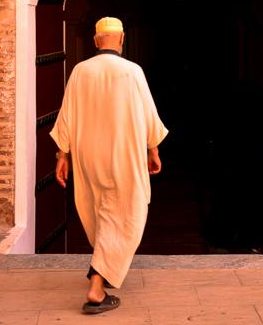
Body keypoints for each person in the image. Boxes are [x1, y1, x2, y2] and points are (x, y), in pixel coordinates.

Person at [49, 16, 169, 314]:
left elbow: (67, 116)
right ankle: (97, 285)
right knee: (126, 212)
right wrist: (152, 150)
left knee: (102, 212)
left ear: (94, 40)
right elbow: (148, 116)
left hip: (88, 157)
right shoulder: (132, 72)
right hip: (124, 156)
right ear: (123, 39)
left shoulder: (80, 71)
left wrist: (62, 155)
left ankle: (101, 271)